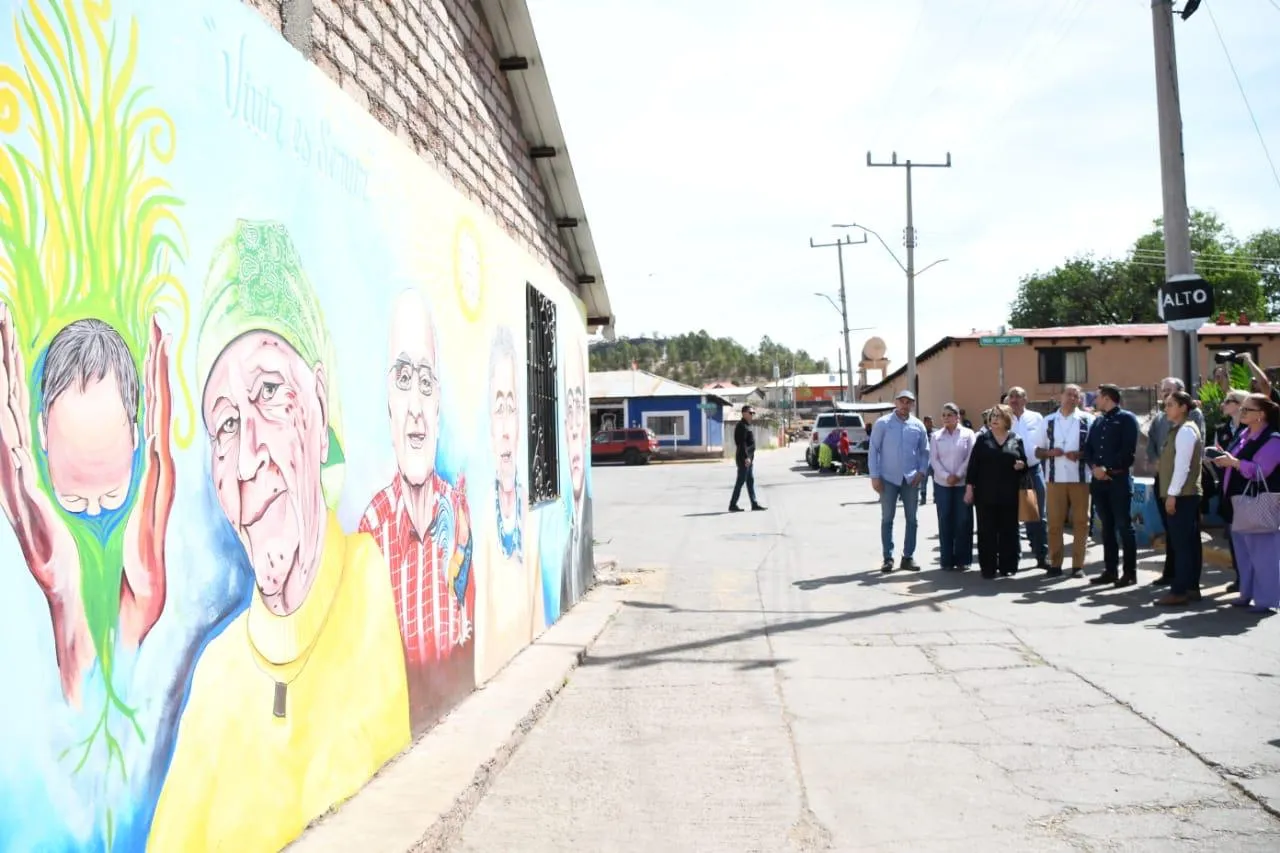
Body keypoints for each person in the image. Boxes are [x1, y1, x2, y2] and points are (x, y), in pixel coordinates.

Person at [150, 220, 409, 852]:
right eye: (225, 424)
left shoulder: (370, 579)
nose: (245, 461)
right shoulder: (216, 681)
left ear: (320, 406)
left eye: (270, 393)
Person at [360, 289, 475, 727]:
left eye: (425, 383)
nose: (415, 409)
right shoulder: (373, 531)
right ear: (387, 403)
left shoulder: (458, 515)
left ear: (439, 405)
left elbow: (469, 651)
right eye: (403, 379)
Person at [1212, 392, 1280, 613]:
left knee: (1263, 554)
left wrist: (1235, 463)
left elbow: (1261, 471)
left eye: (1247, 409)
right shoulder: (1243, 435)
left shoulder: (1273, 439)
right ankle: (1247, 593)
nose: (1242, 412)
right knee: (1243, 552)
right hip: (1237, 502)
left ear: (1261, 415)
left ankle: (1266, 599)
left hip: (1257, 502)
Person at [1147, 376, 1205, 587]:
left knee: (1185, 538)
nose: (1164, 399)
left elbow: (1185, 462)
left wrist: (1172, 493)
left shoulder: (1189, 424)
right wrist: (1156, 462)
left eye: (1170, 395)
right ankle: (1175, 578)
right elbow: (1152, 444)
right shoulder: (1163, 420)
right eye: (1163, 392)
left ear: (1182, 405)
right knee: (1174, 534)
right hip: (1166, 483)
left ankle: (1185, 586)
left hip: (1182, 489)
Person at [1083, 383, 1141, 587]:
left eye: (1097, 397)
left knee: (1124, 526)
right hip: (1099, 482)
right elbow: (1088, 449)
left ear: (1107, 398)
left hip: (1118, 481)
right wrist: (1095, 468)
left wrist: (1106, 468)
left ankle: (1129, 572)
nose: (1095, 400)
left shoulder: (1126, 419)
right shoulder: (1098, 422)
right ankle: (1110, 570)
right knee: (1106, 527)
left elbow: (1128, 451)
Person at [1035, 384, 1094, 578]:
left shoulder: (1088, 420)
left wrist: (1080, 454)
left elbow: (1094, 451)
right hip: (1055, 477)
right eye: (1069, 394)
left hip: (1081, 478)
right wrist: (1049, 452)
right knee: (1054, 522)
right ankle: (1055, 563)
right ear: (1060, 396)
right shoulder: (1048, 421)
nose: (1072, 398)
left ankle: (1078, 565)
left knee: (1081, 522)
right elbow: (1038, 450)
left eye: (1076, 396)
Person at [868, 390, 929, 572]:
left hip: (910, 480)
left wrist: (922, 472)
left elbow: (925, 451)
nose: (904, 405)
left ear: (913, 404)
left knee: (912, 519)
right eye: (901, 401)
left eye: (908, 402)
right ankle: (888, 557)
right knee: (887, 519)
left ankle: (908, 557)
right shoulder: (883, 424)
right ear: (896, 403)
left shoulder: (918, 426)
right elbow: (873, 450)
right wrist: (874, 476)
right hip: (888, 479)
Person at [965, 404, 1028, 579]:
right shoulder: (982, 439)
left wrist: (1021, 465)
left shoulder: (1016, 439)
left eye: (998, 416)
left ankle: (1008, 565)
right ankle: (988, 568)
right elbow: (973, 467)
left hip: (1009, 494)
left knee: (1009, 531)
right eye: (992, 416)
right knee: (987, 532)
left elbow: (1024, 463)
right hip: (986, 494)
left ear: (1007, 419)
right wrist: (969, 489)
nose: (994, 419)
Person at [1005, 387, 1048, 569]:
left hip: (1032, 471)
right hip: (1009, 473)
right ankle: (1012, 556)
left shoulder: (1036, 418)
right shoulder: (1003, 417)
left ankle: (1041, 555)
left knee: (1035, 515)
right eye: (1011, 396)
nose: (1014, 399)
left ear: (1025, 399)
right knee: (1010, 516)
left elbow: (1044, 441)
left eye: (1018, 396)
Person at [930, 402, 975, 571]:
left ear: (958, 417)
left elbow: (971, 457)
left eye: (950, 415)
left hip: (962, 483)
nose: (946, 418)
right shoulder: (936, 436)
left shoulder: (968, 434)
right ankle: (947, 560)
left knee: (963, 520)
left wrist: (958, 474)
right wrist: (946, 476)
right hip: (943, 485)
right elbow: (934, 459)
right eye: (944, 415)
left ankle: (963, 559)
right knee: (945, 520)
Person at [730, 405, 765, 512]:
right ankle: (732, 505)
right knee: (740, 482)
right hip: (744, 459)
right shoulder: (741, 426)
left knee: (750, 481)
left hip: (749, 459)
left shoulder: (747, 425)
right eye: (750, 413)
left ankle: (754, 504)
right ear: (744, 413)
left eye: (753, 413)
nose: (752, 415)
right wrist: (746, 457)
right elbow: (742, 444)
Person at [920, 415, 935, 505]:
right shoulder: (921, 433)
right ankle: (923, 497)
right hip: (924, 461)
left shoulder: (935, 433)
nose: (931, 423)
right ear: (925, 422)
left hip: (934, 460)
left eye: (932, 422)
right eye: (929, 422)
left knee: (935, 480)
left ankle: (936, 497)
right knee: (923, 481)